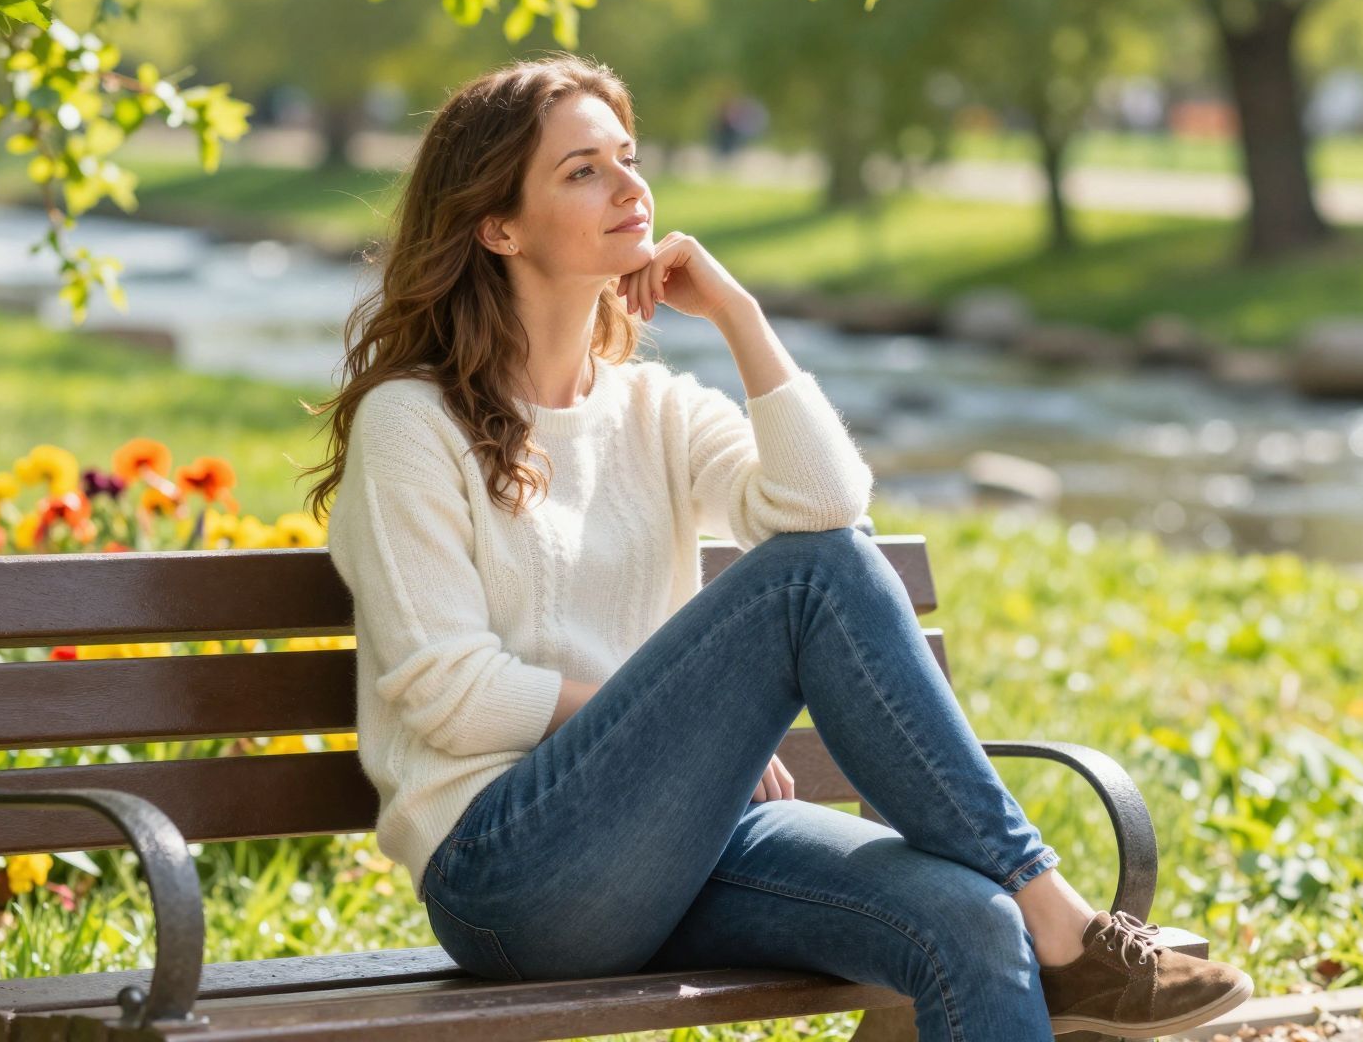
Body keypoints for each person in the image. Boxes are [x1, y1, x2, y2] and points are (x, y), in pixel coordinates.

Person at [300, 52, 1253, 1041]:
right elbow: (443, 691)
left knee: (967, 921)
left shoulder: (652, 409)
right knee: (807, 579)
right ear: (496, 226)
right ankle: (1061, 921)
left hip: (680, 844)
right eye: (582, 170)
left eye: (627, 157)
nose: (630, 187)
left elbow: (825, 503)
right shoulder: (412, 425)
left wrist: (738, 316)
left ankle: (1035, 924)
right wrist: (674, 723)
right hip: (512, 875)